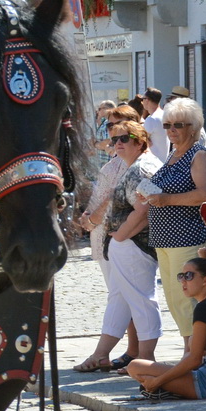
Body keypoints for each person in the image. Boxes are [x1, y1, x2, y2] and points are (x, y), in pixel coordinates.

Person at [78, 120, 163, 370]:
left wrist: (122, 235)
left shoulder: (142, 168)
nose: (117, 144)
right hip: (126, 245)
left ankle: (146, 358)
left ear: (140, 141)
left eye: (124, 139)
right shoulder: (133, 166)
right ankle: (101, 354)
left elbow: (146, 208)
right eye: (114, 140)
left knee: (141, 299)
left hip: (136, 246)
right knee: (119, 299)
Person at [123, 256, 206, 399]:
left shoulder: (205, 307)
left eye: (189, 276)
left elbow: (194, 359)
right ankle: (169, 390)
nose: (183, 281)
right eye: (181, 276)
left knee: (135, 366)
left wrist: (157, 381)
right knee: (191, 341)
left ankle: (165, 389)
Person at [135, 97, 206, 338]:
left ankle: (196, 352)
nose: (171, 131)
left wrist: (165, 199)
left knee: (186, 299)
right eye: (167, 125)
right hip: (165, 239)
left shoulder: (197, 154)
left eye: (178, 125)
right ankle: (189, 349)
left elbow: (204, 194)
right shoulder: (174, 153)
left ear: (193, 127)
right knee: (174, 298)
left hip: (186, 237)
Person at [73, 106, 141, 370]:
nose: (115, 134)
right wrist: (87, 216)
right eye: (112, 128)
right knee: (122, 296)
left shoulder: (133, 164)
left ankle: (108, 352)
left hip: (119, 237)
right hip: (102, 237)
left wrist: (92, 218)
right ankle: (132, 350)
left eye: (121, 126)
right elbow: (100, 195)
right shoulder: (114, 162)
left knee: (124, 296)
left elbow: (115, 200)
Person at [139, 88, 166, 160]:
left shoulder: (152, 119)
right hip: (163, 160)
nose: (142, 102)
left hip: (153, 162)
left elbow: (141, 140)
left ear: (147, 100)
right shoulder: (164, 115)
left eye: (143, 99)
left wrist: (131, 135)